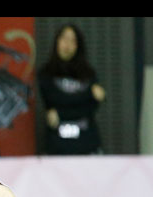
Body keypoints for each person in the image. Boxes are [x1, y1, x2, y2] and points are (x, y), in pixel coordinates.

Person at [38, 24, 105, 155]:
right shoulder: (46, 73)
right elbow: (53, 99)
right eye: (64, 39)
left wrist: (60, 113)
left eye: (72, 41)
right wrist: (87, 94)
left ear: (78, 46)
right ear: (56, 42)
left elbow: (91, 107)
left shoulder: (88, 73)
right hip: (57, 146)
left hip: (87, 144)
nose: (67, 45)